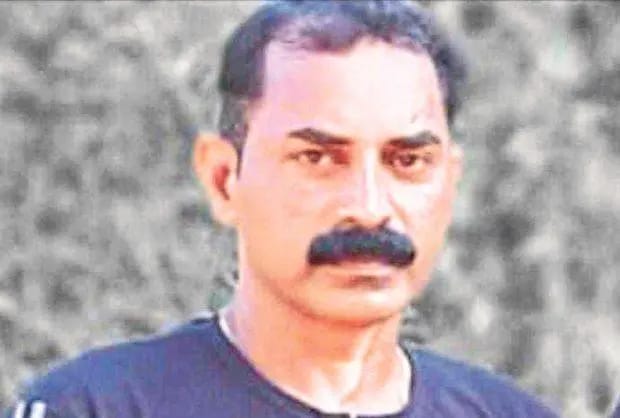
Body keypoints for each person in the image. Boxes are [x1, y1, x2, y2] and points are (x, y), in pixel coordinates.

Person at [5, 1, 560, 417]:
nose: (369, 208)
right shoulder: (97, 407)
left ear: (449, 182)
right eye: (318, 158)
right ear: (224, 180)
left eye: (407, 161)